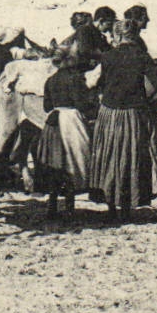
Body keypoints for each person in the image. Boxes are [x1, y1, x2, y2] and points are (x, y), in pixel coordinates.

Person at [90, 20, 157, 222]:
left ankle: (110, 207)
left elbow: (100, 84)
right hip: (132, 114)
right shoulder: (142, 56)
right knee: (130, 158)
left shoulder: (108, 56)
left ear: (117, 35)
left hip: (109, 113)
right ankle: (127, 209)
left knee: (109, 157)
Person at [35, 48, 96, 219]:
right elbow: (81, 104)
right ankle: (70, 207)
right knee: (73, 162)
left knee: (55, 163)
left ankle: (52, 206)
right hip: (71, 120)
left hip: (53, 121)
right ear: (69, 60)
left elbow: (46, 106)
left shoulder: (50, 80)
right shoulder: (75, 78)